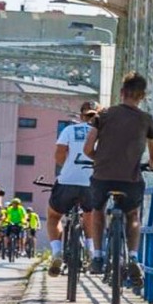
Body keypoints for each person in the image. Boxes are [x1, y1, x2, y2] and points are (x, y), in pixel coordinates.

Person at [85, 71, 153, 286]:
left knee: (98, 210)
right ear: (142, 96)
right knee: (133, 214)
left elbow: (88, 148)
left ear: (121, 92)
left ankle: (98, 255)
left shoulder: (104, 115)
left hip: (102, 177)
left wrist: (99, 159)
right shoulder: (147, 120)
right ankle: (134, 257)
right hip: (130, 179)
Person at [48, 100, 99, 276]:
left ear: (81, 115)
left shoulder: (69, 130)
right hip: (91, 182)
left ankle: (56, 252)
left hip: (68, 181)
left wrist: (69, 167)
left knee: (54, 216)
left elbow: (59, 156)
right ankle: (91, 250)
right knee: (90, 214)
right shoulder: (104, 132)